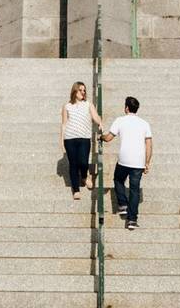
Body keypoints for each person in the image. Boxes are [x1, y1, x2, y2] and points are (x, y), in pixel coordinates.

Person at [101, 96, 153, 230]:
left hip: (124, 160)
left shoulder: (120, 120)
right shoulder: (144, 123)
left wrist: (100, 137)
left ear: (126, 108)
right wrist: (147, 162)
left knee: (118, 180)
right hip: (139, 161)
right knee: (135, 191)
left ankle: (123, 204)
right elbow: (149, 144)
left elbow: (108, 138)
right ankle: (132, 220)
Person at [60, 81, 103, 200]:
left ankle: (84, 176)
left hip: (84, 137)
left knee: (83, 162)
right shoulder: (67, 106)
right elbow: (64, 124)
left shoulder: (88, 104)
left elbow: (95, 116)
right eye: (81, 90)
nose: (83, 92)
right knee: (73, 164)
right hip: (70, 138)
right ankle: (76, 189)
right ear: (75, 91)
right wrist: (61, 139)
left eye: (84, 90)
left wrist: (100, 123)